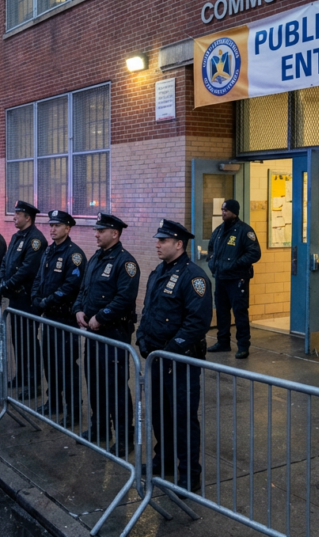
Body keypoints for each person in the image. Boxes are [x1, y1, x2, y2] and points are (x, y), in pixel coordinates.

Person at [137, 219, 210, 492]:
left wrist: (170, 350)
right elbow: (148, 310)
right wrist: (143, 338)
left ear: (179, 244)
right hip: (157, 358)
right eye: (158, 239)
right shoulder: (158, 272)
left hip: (180, 362)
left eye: (163, 240)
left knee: (182, 419)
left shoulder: (194, 277)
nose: (157, 244)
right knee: (160, 416)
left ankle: (189, 474)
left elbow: (197, 323)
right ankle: (164, 460)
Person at [73, 213, 139, 456]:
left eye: (101, 231)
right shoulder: (95, 259)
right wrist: (78, 309)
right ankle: (100, 428)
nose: (96, 234)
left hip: (113, 333)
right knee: (95, 383)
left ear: (115, 233)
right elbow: (83, 290)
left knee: (116, 387)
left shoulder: (126, 262)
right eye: (96, 230)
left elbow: (124, 298)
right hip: (93, 334)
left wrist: (101, 317)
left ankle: (124, 439)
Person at [30, 209, 86, 421]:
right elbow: (39, 277)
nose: (52, 229)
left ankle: (73, 409)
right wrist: (36, 297)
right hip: (49, 317)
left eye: (57, 226)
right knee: (50, 362)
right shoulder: (49, 251)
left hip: (64, 318)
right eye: (50, 225)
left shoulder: (75, 254)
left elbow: (71, 286)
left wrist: (48, 300)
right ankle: (53, 401)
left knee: (66, 365)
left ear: (67, 228)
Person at [0, 201, 47, 399]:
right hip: (15, 298)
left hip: (26, 298)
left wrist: (7, 284)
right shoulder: (16, 236)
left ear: (28, 217)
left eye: (18, 214)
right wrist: (3, 279)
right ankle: (21, 376)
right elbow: (6, 261)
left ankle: (33, 383)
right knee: (17, 340)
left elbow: (28, 269)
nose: (14, 217)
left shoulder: (36, 240)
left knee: (28, 342)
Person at [205, 199, 262, 358]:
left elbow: (254, 253)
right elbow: (210, 250)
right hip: (221, 278)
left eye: (226, 210)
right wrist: (211, 263)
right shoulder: (218, 231)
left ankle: (243, 345)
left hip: (237, 279)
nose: (223, 212)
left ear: (234, 212)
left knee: (239, 312)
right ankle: (223, 342)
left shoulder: (245, 231)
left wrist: (235, 264)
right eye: (222, 209)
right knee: (222, 312)